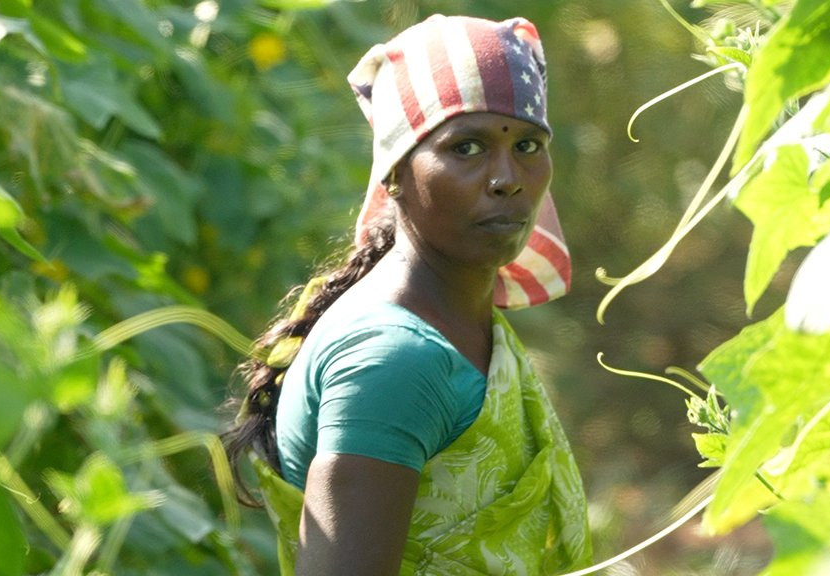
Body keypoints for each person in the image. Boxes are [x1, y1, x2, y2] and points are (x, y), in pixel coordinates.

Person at [224, 14, 592, 576]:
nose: (507, 177)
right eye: (466, 147)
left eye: (527, 144)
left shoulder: (459, 320)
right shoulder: (395, 360)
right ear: (395, 172)